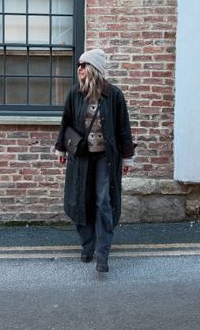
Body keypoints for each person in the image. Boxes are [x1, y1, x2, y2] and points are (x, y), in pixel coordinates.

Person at [55, 48, 135, 273]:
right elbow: (66, 122)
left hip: (106, 158)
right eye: (79, 65)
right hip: (81, 157)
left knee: (102, 201)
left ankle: (102, 254)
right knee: (81, 200)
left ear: (94, 69)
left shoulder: (114, 95)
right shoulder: (75, 93)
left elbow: (123, 128)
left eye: (83, 65)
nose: (79, 68)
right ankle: (87, 246)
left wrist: (127, 158)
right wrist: (61, 149)